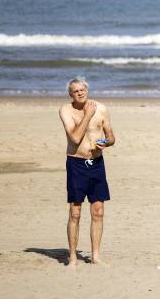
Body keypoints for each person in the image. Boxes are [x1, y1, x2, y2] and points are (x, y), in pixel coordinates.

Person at [59, 77, 115, 268]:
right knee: (75, 212)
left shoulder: (102, 108)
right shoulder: (66, 110)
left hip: (96, 163)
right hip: (76, 163)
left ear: (87, 90)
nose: (80, 93)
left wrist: (106, 142)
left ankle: (96, 256)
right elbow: (74, 138)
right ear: (70, 94)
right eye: (76, 91)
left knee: (98, 211)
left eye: (82, 90)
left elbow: (111, 137)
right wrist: (87, 115)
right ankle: (73, 257)